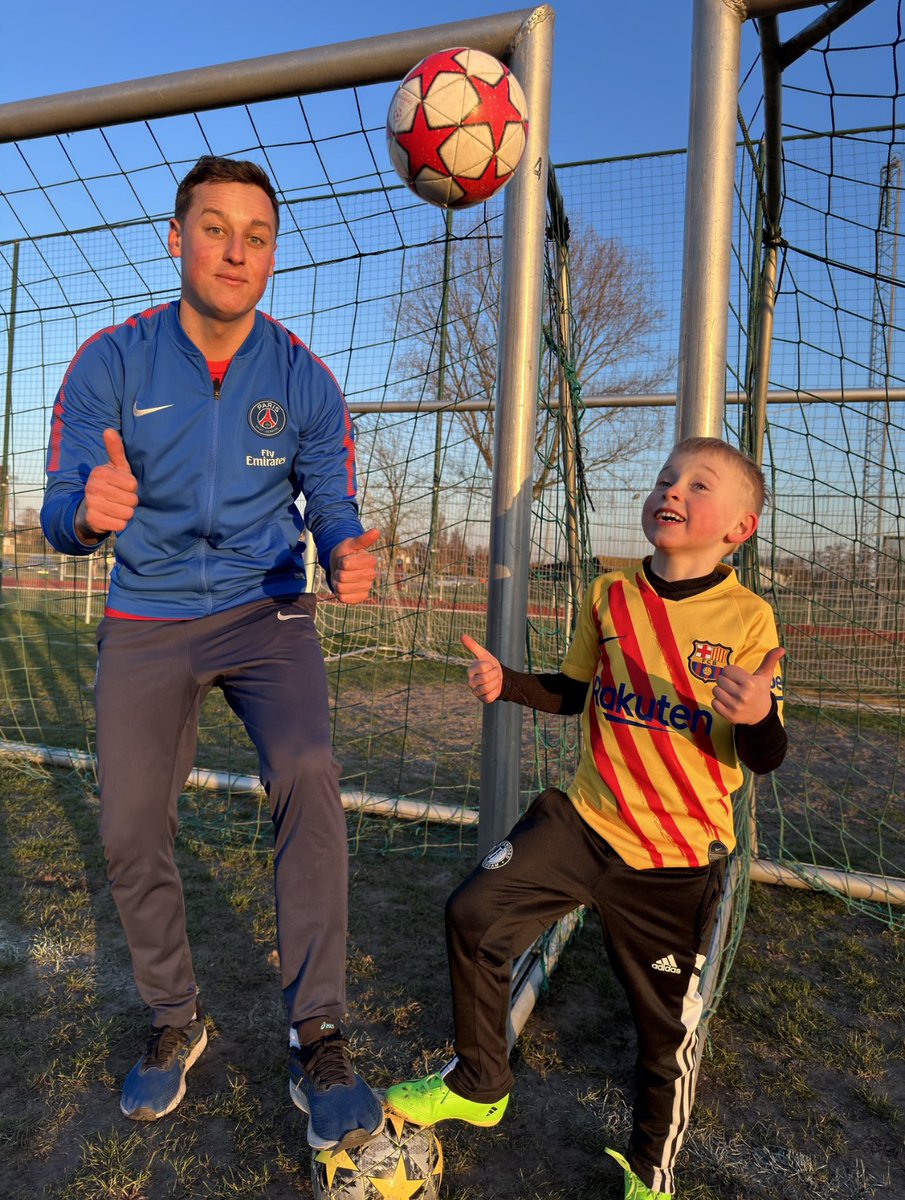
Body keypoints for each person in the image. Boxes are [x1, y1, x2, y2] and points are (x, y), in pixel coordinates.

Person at [40, 155, 385, 1153]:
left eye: (257, 235)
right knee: (128, 818)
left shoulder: (304, 378)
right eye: (215, 228)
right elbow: (66, 492)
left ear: (272, 254)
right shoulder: (112, 359)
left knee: (308, 771)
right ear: (176, 237)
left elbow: (333, 495)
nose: (236, 251)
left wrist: (345, 548)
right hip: (147, 616)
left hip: (266, 611)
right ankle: (172, 1016)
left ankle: (315, 1032)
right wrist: (81, 516)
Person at [386, 437, 787, 1199]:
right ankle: (478, 1083)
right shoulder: (610, 593)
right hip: (583, 819)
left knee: (663, 1034)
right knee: (473, 913)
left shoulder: (749, 618)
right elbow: (574, 693)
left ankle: (649, 1175)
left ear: (739, 528)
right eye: (665, 476)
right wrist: (506, 681)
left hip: (674, 859)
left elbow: (764, 754)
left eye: (698, 485)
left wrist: (759, 714)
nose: (671, 490)